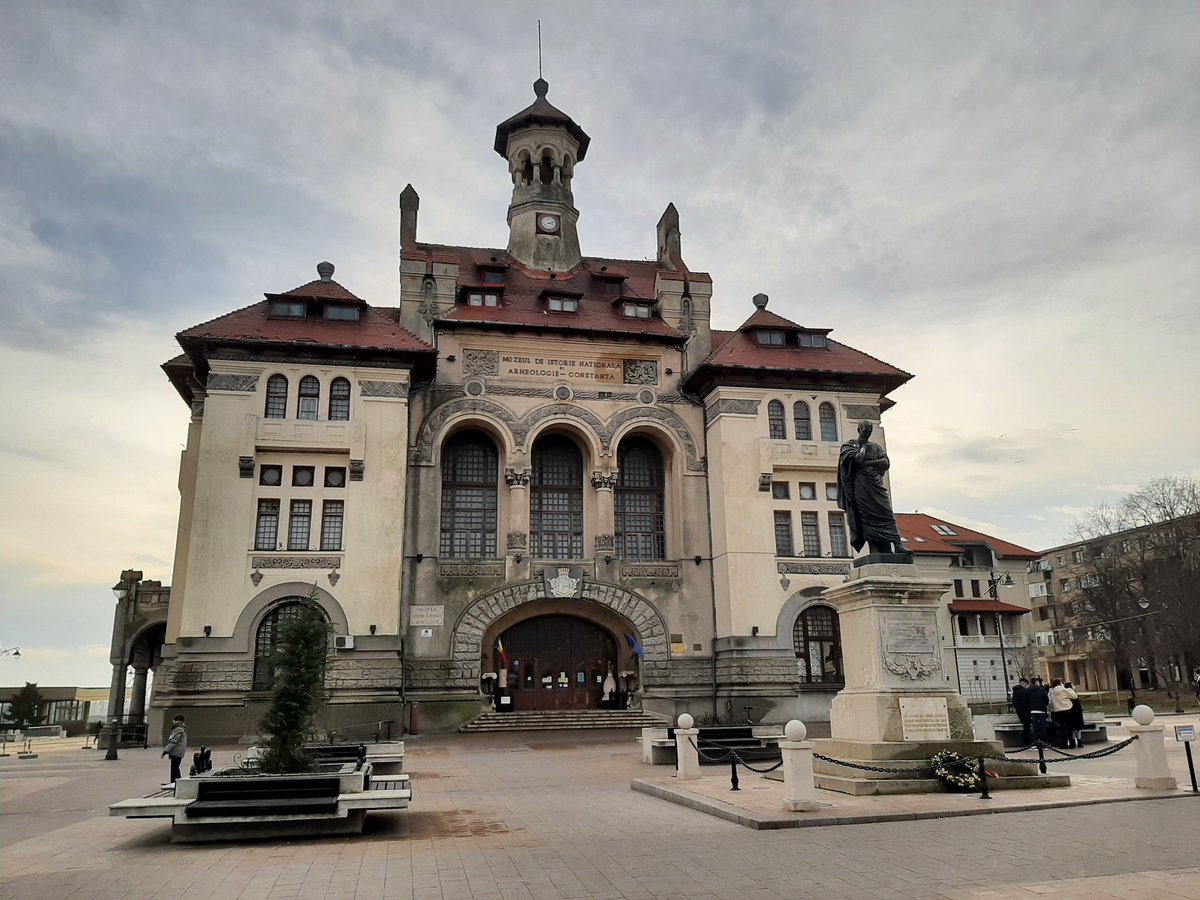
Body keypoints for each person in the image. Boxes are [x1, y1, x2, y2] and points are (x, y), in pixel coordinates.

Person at [836, 421, 903, 554]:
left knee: (887, 513)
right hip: (861, 488)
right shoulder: (850, 445)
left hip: (876, 486)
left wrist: (868, 463)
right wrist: (864, 447)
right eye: (864, 431)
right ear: (858, 430)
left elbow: (885, 462)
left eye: (869, 432)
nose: (867, 434)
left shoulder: (876, 447)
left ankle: (897, 544)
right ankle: (874, 548)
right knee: (866, 516)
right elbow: (857, 459)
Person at [1048, 678, 1078, 749]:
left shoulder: (1051, 691)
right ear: (1060, 683)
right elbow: (1074, 696)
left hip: (1057, 711)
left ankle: (1064, 743)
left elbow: (1049, 700)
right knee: (1069, 728)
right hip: (1067, 710)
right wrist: (1070, 689)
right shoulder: (1064, 690)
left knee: (1062, 728)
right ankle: (1071, 743)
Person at [162, 715, 188, 783]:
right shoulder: (181, 729)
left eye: (175, 720)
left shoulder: (178, 729)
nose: (173, 721)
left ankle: (175, 782)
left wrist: (166, 751)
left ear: (179, 721)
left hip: (176, 751)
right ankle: (177, 782)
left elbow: (174, 741)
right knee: (175, 768)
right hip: (178, 751)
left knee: (174, 768)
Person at [1027, 677, 1050, 746]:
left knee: (1035, 729)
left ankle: (1035, 743)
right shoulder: (1041, 690)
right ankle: (1044, 743)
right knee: (1043, 728)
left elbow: (1026, 701)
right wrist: (1043, 706)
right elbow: (1046, 700)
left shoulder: (1028, 690)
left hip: (1033, 711)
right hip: (1041, 711)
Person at [1010, 678, 1032, 746]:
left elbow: (1013, 702)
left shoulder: (1015, 691)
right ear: (1024, 683)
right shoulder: (1023, 691)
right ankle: (1027, 742)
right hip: (1025, 711)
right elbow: (1025, 701)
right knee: (1027, 727)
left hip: (1019, 711)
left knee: (1025, 726)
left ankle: (1025, 742)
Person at [1064, 681, 1086, 749]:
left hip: (1070, 714)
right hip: (1077, 714)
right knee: (1078, 729)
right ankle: (1079, 742)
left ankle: (1073, 742)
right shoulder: (1073, 694)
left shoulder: (1066, 695)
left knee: (1073, 730)